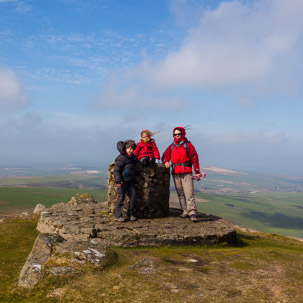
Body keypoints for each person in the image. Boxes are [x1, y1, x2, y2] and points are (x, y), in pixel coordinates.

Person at [162, 127, 206, 222]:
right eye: (175, 134)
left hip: (186, 172)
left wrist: (197, 171)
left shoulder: (188, 145)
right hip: (176, 172)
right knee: (180, 193)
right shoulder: (172, 146)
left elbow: (194, 158)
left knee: (189, 193)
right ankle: (185, 210)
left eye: (179, 134)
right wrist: (165, 161)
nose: (177, 136)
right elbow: (165, 156)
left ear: (183, 134)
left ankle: (192, 212)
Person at [114, 139, 139, 222]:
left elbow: (137, 162)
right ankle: (118, 216)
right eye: (129, 148)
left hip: (130, 181)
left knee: (134, 196)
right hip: (122, 182)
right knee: (121, 198)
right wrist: (118, 181)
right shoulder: (120, 158)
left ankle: (130, 214)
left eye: (132, 149)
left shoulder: (132, 157)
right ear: (125, 148)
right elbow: (116, 171)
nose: (130, 150)